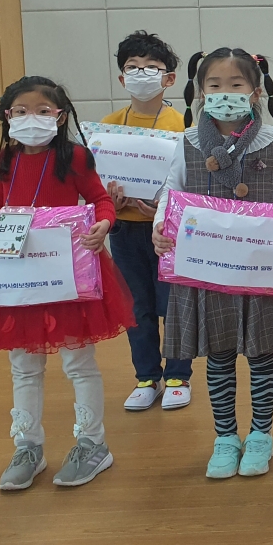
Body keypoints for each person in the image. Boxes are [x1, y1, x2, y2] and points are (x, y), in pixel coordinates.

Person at [0, 76, 133, 491]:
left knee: (78, 363)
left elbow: (100, 200)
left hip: (66, 271)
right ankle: (28, 447)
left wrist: (104, 224)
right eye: (21, 111)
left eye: (43, 111)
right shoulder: (8, 157)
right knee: (24, 366)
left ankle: (93, 444)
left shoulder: (75, 157)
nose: (32, 118)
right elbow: (1, 204)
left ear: (60, 116)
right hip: (18, 275)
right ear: (7, 116)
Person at [153, 48, 273, 479]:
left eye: (236, 85)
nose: (225, 93)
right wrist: (159, 225)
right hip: (206, 268)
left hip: (259, 265)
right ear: (200, 92)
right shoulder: (186, 141)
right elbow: (171, 191)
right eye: (215, 85)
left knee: (261, 354)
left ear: (255, 92)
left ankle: (261, 435)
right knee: (219, 354)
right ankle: (225, 437)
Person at [102, 31, 192, 413]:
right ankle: (146, 377)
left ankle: (178, 376)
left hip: (166, 230)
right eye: (133, 68)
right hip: (124, 231)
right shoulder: (109, 125)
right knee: (135, 308)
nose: (141, 74)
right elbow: (99, 183)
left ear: (169, 78)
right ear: (122, 78)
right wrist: (111, 198)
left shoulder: (182, 124)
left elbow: (189, 184)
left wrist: (161, 207)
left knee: (173, 305)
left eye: (151, 68)